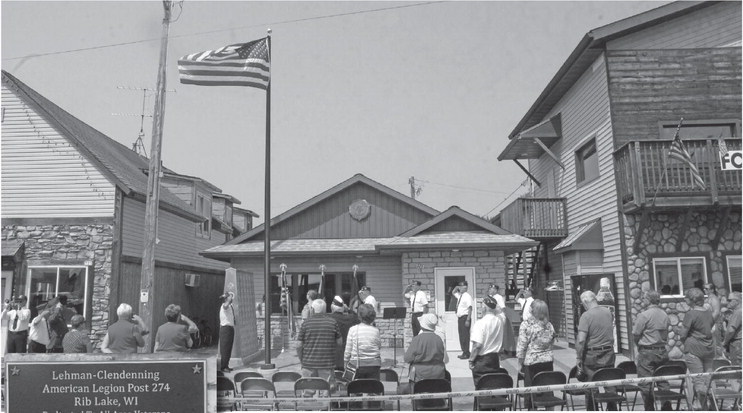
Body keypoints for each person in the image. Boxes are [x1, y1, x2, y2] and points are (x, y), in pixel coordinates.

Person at [575, 290, 615, 411]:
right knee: (610, 385)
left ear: (586, 301)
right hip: (608, 352)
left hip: (592, 355)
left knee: (591, 387)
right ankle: (612, 409)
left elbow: (581, 340)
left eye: (583, 304)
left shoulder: (586, 316)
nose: (583, 306)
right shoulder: (608, 312)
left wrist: (578, 358)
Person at [632, 290, 671, 411]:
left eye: (644, 298)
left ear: (648, 300)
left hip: (647, 351)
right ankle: (667, 408)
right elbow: (665, 334)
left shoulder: (644, 315)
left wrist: (638, 345)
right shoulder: (664, 314)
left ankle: (649, 409)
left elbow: (636, 334)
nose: (642, 300)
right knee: (663, 382)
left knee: (645, 384)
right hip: (661, 350)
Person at [678, 287, 715, 411]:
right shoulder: (708, 313)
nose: (684, 299)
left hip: (694, 350)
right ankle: (713, 407)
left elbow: (683, 334)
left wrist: (685, 342)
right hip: (708, 349)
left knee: (699, 382)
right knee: (708, 380)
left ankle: (704, 409)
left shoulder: (690, 314)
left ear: (692, 300)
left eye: (686, 297)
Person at [517, 299, 557, 409]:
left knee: (531, 391)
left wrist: (520, 362)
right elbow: (552, 342)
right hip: (547, 361)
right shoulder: (549, 325)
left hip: (531, 362)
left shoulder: (526, 325)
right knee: (547, 390)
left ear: (531, 310)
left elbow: (522, 345)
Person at [297, 299, 341, 392]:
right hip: (327, 364)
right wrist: (333, 356)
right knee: (327, 392)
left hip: (308, 363)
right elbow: (340, 343)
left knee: (307, 393)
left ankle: (309, 406)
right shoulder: (332, 322)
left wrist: (302, 359)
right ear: (325, 310)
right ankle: (325, 406)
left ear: (312, 309)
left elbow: (299, 345)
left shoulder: (306, 323)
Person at [469, 296, 506, 385]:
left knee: (482, 386)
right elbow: (501, 312)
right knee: (493, 384)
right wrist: (495, 307)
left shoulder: (480, 323)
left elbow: (477, 345)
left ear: (484, 308)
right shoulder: (500, 321)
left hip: (482, 359)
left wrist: (471, 360)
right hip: (494, 358)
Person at [404, 313, 446, 384]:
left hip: (420, 375)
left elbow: (407, 358)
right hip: (438, 374)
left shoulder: (417, 339)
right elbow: (442, 356)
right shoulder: (438, 339)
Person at [345, 304, 382, 380]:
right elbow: (379, 346)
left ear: (359, 316)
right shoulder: (376, 330)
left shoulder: (353, 329)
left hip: (357, 365)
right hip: (374, 365)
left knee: (356, 388)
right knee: (372, 388)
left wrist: (345, 363)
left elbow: (348, 351)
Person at [329, 295, 359, 370]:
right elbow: (358, 317)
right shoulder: (351, 318)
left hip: (332, 357)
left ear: (332, 307)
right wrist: (348, 309)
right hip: (348, 356)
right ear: (343, 308)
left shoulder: (328, 319)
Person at [452, 281, 473, 359]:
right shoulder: (461, 296)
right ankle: (464, 351)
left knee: (465, 336)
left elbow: (470, 308)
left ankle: (466, 353)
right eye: (462, 287)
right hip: (461, 318)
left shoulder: (467, 296)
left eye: (465, 287)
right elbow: (453, 292)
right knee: (461, 335)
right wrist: (457, 287)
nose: (464, 289)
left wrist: (468, 320)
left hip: (465, 318)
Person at [703, 283, 724, 357]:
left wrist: (709, 323)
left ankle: (719, 361)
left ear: (712, 290)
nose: (704, 290)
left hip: (713, 324)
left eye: (707, 288)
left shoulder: (714, 299)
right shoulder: (707, 299)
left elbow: (716, 312)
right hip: (708, 324)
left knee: (716, 344)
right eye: (704, 288)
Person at [219, 292, 236, 372]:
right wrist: (228, 300)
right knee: (225, 348)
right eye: (230, 297)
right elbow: (225, 306)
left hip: (230, 328)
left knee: (229, 348)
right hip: (225, 329)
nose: (232, 298)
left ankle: (226, 365)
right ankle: (223, 366)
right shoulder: (224, 306)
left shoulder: (230, 306)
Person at [723, 292, 741, 366]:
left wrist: (725, 342)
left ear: (737, 301)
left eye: (730, 300)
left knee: (738, 368)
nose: (727, 302)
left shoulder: (738, 312)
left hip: (738, 344)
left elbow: (731, 330)